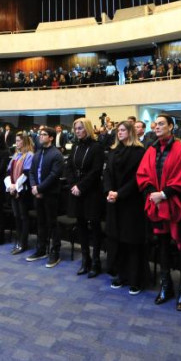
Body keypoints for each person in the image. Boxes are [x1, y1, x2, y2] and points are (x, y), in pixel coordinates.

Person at [137, 114, 181, 312]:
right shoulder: (151, 150)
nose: (157, 127)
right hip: (158, 204)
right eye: (155, 124)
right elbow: (143, 174)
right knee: (162, 244)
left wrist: (164, 194)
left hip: (178, 203)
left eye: (161, 124)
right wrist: (153, 194)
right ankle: (166, 286)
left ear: (171, 127)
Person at [104, 121, 147, 295]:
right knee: (118, 240)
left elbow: (138, 178)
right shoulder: (113, 151)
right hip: (114, 201)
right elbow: (106, 173)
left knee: (132, 242)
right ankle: (121, 275)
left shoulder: (139, 152)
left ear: (130, 132)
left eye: (123, 130)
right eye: (118, 130)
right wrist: (109, 191)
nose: (119, 133)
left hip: (131, 202)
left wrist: (119, 193)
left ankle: (135, 279)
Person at [67, 118, 106, 278]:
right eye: (76, 128)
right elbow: (68, 167)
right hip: (76, 191)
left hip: (91, 192)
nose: (77, 131)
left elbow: (96, 171)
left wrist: (80, 187)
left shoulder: (97, 147)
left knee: (94, 228)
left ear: (87, 129)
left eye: (80, 128)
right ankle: (85, 260)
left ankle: (96, 261)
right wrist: (73, 185)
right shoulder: (76, 146)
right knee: (81, 226)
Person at [27, 127, 64, 268]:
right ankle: (41, 249)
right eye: (40, 134)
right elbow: (31, 172)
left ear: (51, 138)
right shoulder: (37, 153)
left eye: (44, 134)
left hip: (50, 195)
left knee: (52, 223)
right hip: (38, 193)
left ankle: (55, 252)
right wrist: (34, 187)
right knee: (40, 222)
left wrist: (40, 188)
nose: (40, 136)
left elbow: (54, 176)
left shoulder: (56, 154)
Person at [6, 132, 34, 255]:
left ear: (25, 141)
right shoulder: (16, 155)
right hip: (13, 190)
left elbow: (26, 174)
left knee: (23, 217)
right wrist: (10, 186)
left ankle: (23, 242)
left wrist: (16, 186)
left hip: (23, 191)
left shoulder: (29, 155)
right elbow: (8, 172)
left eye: (18, 141)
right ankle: (18, 240)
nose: (16, 143)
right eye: (16, 140)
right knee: (16, 216)